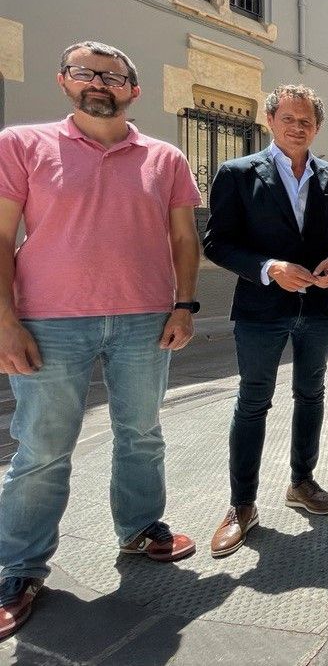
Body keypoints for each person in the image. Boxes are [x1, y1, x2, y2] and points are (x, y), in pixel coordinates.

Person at [0, 41, 200, 638]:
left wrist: (185, 305)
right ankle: (19, 566)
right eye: (87, 73)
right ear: (64, 80)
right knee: (41, 446)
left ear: (133, 92)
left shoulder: (164, 158)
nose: (100, 84)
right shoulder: (22, 145)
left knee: (141, 433)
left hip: (144, 316)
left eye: (113, 77)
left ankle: (140, 528)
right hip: (48, 322)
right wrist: (5, 322)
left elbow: (185, 240)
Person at [203, 84, 328, 557]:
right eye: (289, 118)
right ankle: (242, 506)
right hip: (261, 310)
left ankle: (302, 483)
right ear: (270, 120)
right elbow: (217, 242)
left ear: (318, 127)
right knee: (253, 402)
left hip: (318, 310)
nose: (298, 127)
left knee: (311, 395)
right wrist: (269, 269)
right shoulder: (236, 173)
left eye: (307, 121)